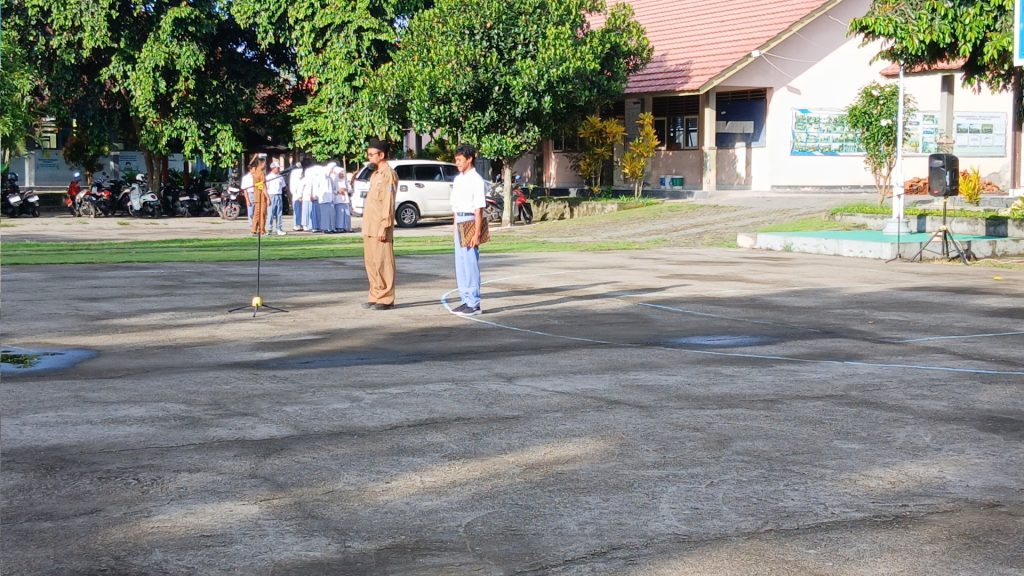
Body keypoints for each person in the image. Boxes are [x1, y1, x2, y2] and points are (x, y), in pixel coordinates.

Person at [448, 143, 486, 316]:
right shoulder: (458, 179)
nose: (457, 163)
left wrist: (477, 233)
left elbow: (479, 209)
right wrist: (454, 228)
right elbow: (455, 207)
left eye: (460, 160)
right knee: (461, 263)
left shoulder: (476, 180)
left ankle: (474, 302)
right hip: (459, 219)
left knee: (470, 263)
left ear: (469, 159)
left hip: (470, 219)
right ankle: (465, 299)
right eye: (456, 160)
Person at [361, 138, 397, 310]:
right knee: (371, 262)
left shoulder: (388, 174)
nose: (369, 157)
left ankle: (386, 298)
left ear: (381, 155)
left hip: (380, 226)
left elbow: (388, 202)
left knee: (383, 262)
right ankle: (375, 294)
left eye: (371, 154)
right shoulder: (375, 174)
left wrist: (385, 225)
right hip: (370, 225)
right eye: (368, 154)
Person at [241, 155, 269, 236]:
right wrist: (268, 197)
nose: (265, 165)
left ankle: (253, 230)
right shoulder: (261, 173)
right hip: (261, 196)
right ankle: (262, 230)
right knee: (262, 214)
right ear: (262, 164)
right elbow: (262, 187)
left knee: (257, 214)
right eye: (265, 164)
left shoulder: (255, 172)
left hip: (256, 196)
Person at [265, 161, 286, 236]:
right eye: (277, 168)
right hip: (271, 195)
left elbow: (283, 186)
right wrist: (268, 198)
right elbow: (266, 188)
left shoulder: (280, 177)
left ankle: (279, 229)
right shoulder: (268, 177)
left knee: (279, 213)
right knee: (270, 213)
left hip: (279, 195)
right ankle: (269, 229)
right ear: (273, 168)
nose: (278, 169)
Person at [289, 158, 308, 231]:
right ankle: (297, 224)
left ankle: (302, 224)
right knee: (297, 211)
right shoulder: (294, 173)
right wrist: (297, 195)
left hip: (303, 195)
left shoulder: (303, 173)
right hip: (296, 196)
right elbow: (293, 186)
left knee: (302, 211)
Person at [333, 163, 352, 232]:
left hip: (345, 200)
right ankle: (339, 227)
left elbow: (350, 189)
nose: (342, 174)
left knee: (347, 214)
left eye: (343, 173)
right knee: (340, 214)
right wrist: (338, 191)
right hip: (338, 200)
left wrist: (346, 189)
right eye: (340, 173)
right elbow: (333, 190)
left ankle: (346, 227)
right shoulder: (335, 181)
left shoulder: (345, 181)